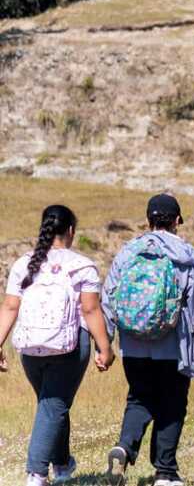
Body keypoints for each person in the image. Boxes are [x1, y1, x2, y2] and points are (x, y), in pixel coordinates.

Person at [103, 194, 194, 486]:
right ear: (178, 220)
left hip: (133, 344)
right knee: (172, 403)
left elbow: (108, 298)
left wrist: (104, 344)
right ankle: (165, 473)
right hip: (174, 347)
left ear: (148, 220)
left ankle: (124, 448)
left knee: (139, 397)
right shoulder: (188, 257)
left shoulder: (128, 253)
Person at [1, 205, 115, 486]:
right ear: (72, 232)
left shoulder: (22, 264)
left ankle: (62, 466)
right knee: (53, 405)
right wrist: (105, 347)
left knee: (52, 403)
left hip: (29, 349)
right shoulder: (82, 266)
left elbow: (9, 306)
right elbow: (90, 310)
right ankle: (37, 474)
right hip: (69, 347)